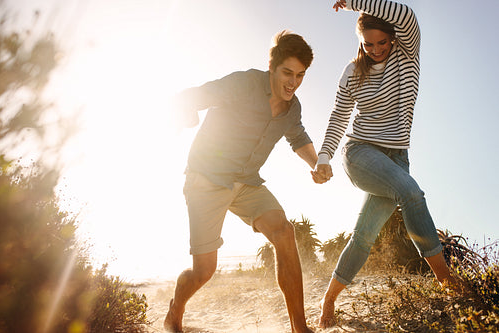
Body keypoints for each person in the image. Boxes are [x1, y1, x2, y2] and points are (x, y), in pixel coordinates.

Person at [312, 0, 456, 328]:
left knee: (364, 235)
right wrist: (324, 157)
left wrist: (353, 2)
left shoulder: (406, 56)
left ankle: (328, 299)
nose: (376, 49)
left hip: (397, 158)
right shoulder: (352, 71)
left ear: (393, 38)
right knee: (412, 193)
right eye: (368, 44)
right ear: (360, 42)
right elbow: (339, 116)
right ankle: (448, 283)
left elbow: (405, 14)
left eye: (382, 42)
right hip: (360, 153)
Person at [164, 31, 316, 333]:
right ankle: (175, 309)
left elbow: (297, 137)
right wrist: (185, 115)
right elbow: (194, 96)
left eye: (300, 75)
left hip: (247, 182)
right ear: (272, 67)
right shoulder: (244, 83)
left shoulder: (292, 107)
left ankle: (300, 329)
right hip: (207, 179)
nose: (293, 82)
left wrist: (317, 164)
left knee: (285, 232)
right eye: (287, 72)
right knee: (204, 271)